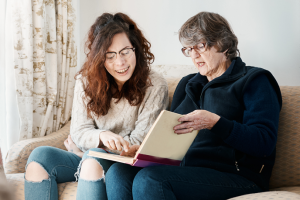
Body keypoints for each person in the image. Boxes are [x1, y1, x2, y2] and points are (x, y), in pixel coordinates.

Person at [107, 12, 282, 200]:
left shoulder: (255, 80)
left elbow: (264, 142)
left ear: (223, 44)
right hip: (186, 172)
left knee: (152, 179)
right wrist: (143, 151)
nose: (194, 55)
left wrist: (215, 123)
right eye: (188, 49)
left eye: (200, 46)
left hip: (238, 176)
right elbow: (170, 139)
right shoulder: (188, 84)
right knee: (118, 172)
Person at [24, 12, 168, 200]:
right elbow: (79, 130)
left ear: (136, 49)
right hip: (90, 154)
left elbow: (138, 143)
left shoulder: (155, 85)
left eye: (125, 51)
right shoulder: (86, 80)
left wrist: (85, 149)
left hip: (119, 164)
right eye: (110, 55)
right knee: (39, 157)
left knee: (92, 160)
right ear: (100, 58)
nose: (120, 62)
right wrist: (101, 136)